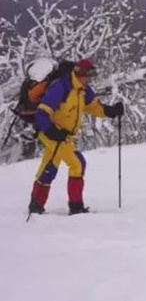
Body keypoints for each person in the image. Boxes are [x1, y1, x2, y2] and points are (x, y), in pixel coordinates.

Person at [28, 59, 125, 215]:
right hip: (53, 134)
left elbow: (94, 106)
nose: (91, 79)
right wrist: (52, 130)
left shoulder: (83, 89)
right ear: (80, 74)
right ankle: (76, 207)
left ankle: (36, 204)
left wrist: (111, 111)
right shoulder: (61, 87)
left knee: (49, 167)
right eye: (89, 75)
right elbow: (42, 112)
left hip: (64, 136)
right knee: (77, 164)